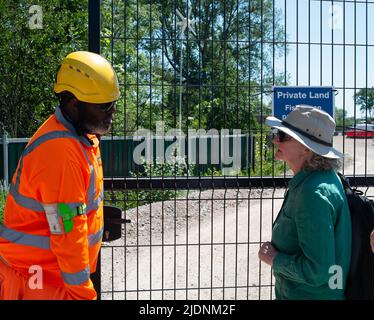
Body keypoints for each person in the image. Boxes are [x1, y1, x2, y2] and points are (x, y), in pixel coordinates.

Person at [0, 51, 120, 300]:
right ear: (74, 103)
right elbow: (67, 231)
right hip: (38, 280)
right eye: (104, 106)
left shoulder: (82, 137)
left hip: (50, 275)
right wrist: (83, 295)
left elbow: (71, 209)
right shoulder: (61, 153)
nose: (112, 112)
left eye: (113, 104)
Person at [258, 105, 352, 300]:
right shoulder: (322, 178)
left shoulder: (312, 192)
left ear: (305, 148)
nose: (275, 139)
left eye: (283, 136)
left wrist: (275, 259)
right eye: (277, 133)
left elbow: (318, 270)